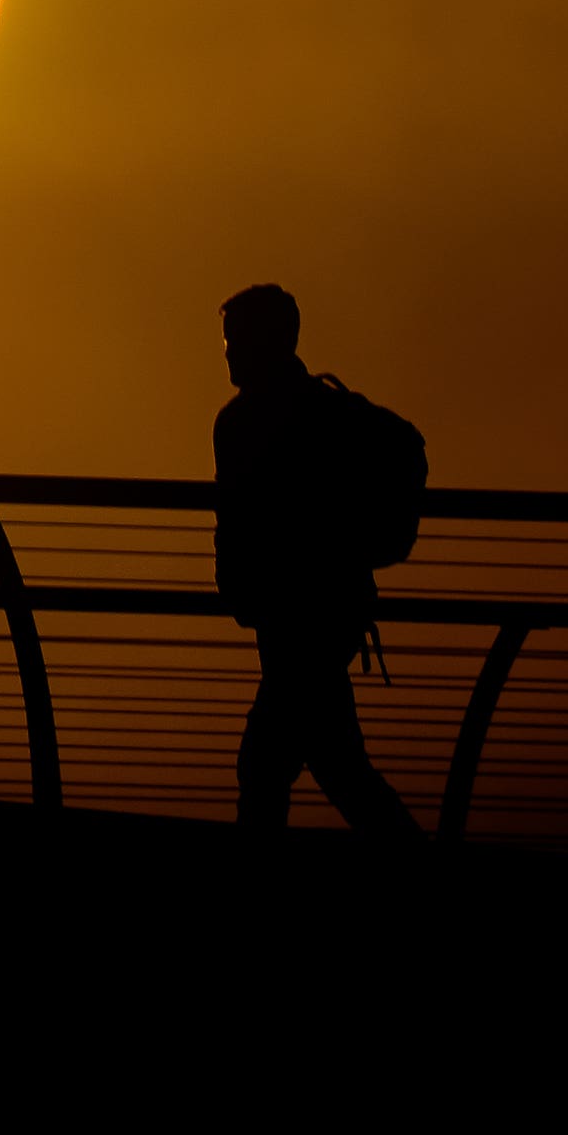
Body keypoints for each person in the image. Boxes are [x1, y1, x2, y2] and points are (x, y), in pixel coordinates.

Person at [213, 284, 423, 841]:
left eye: (236, 341)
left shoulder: (245, 423)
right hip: (326, 612)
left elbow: (238, 519)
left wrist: (239, 585)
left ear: (268, 342)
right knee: (334, 764)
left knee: (268, 763)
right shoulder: (325, 412)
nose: (229, 353)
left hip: (297, 616)